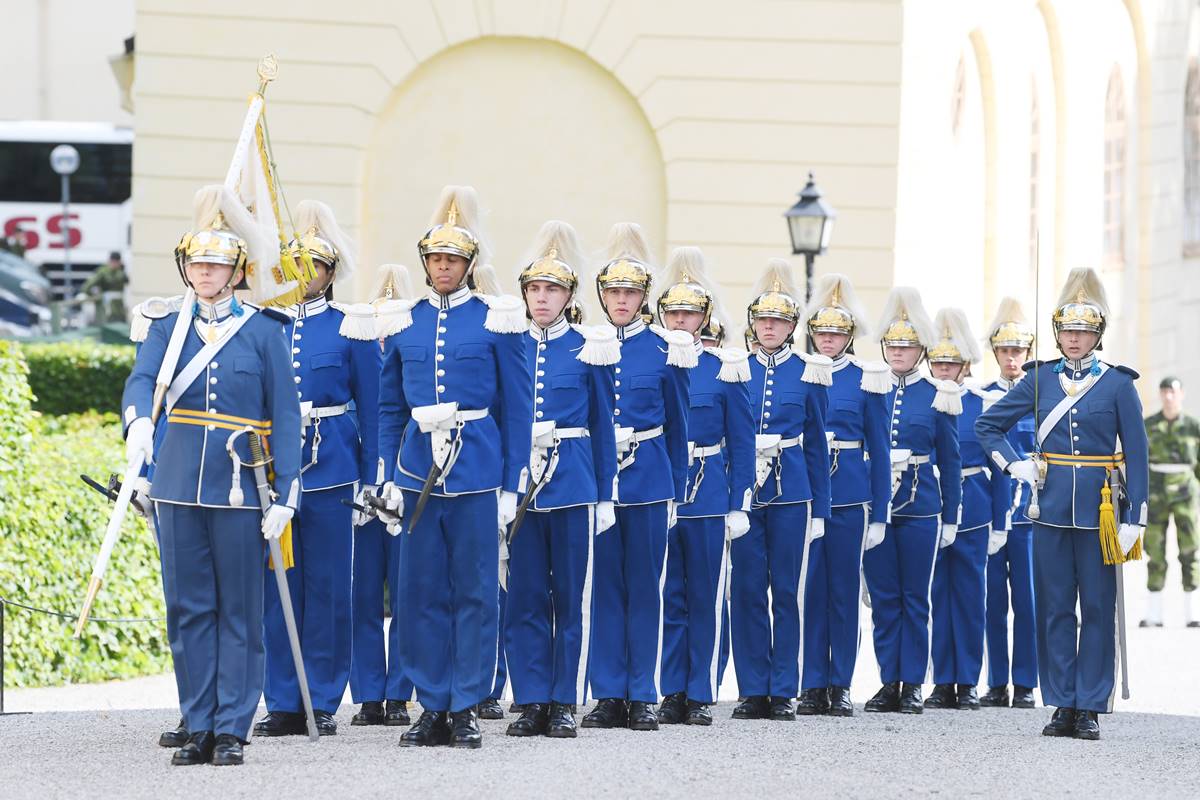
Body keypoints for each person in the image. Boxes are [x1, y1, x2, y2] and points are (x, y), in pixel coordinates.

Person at [122, 185, 301, 766]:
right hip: (176, 482)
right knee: (189, 609)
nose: (204, 272)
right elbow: (142, 381)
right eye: (197, 263)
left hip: (240, 484)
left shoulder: (264, 330)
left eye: (216, 264)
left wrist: (287, 494)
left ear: (235, 272)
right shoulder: (165, 325)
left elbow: (287, 416)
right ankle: (198, 722)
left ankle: (232, 726)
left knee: (240, 611)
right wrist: (136, 424)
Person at [376, 185, 532, 749]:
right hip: (418, 471)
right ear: (425, 264)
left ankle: (465, 704)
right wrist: (385, 475)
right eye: (436, 259)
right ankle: (430, 703)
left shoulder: (497, 321)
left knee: (474, 591)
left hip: (477, 470)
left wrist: (512, 483)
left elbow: (516, 409)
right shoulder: (402, 321)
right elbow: (388, 407)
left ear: (469, 265)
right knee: (419, 593)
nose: (443, 267)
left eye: (453, 259)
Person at [976, 267, 1149, 740]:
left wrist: (1138, 516)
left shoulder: (1117, 384)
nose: (1075, 339)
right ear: (1057, 333)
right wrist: (1014, 466)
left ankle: (1089, 704)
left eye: (1085, 331)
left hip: (1102, 513)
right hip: (1048, 509)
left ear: (1098, 335)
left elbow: (1137, 452)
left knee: (1096, 608)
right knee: (1054, 608)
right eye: (1069, 331)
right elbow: (987, 427)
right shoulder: (1038, 380)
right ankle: (1061, 702)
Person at [249, 200, 378, 738]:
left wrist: (372, 479)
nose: (307, 276)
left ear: (330, 274)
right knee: (279, 582)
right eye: (298, 267)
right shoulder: (264, 325)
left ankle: (321, 694)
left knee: (327, 586)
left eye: (316, 268)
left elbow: (372, 409)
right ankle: (283, 697)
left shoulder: (351, 327)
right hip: (276, 468)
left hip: (332, 469)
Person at [503, 221, 618, 738]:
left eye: (551, 289)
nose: (542, 298)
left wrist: (606, 492)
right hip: (521, 483)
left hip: (572, 481)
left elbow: (602, 426)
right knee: (525, 596)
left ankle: (564, 699)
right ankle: (530, 699)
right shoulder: (507, 343)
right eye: (534, 288)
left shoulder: (588, 347)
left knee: (570, 598)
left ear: (569, 295)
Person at [583, 222, 692, 732]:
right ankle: (607, 692)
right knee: (605, 588)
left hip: (649, 478)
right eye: (613, 292)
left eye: (630, 292)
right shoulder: (589, 344)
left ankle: (641, 692)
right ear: (601, 297)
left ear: (644, 297)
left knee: (646, 587)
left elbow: (679, 425)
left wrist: (675, 487)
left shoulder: (668, 348)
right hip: (601, 479)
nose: (621, 300)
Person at [656, 247, 754, 726]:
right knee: (669, 595)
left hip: (709, 490)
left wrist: (739, 502)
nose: (679, 318)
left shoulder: (725, 370)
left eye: (689, 312)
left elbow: (741, 442)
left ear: (704, 318)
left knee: (706, 596)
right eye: (672, 310)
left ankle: (701, 691)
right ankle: (671, 688)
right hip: (663, 493)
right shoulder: (655, 363)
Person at [730, 259, 831, 722]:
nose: (769, 327)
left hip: (792, 492)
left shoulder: (810, 373)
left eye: (778, 321)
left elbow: (817, 444)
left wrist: (820, 509)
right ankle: (753, 688)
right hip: (747, 492)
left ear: (791, 327)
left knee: (786, 591)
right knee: (747, 588)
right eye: (763, 320)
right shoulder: (735, 369)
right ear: (752, 324)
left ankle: (783, 688)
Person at [862, 287, 961, 715]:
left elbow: (952, 461)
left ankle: (913, 682)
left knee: (915, 597)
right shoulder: (872, 388)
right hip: (878, 505)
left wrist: (952, 515)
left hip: (921, 506)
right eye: (892, 345)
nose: (898, 352)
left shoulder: (938, 393)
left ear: (921, 349)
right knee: (884, 598)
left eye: (906, 345)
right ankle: (889, 680)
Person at [797, 273, 890, 717]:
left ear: (849, 336)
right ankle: (812, 683)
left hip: (851, 495)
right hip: (809, 495)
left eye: (836, 333)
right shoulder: (798, 372)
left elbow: (880, 450)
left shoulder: (867, 378)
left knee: (844, 592)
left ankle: (841, 682)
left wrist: (880, 514)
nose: (828, 339)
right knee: (810, 591)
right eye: (821, 332)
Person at [924, 308, 1009, 711]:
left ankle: (968, 680)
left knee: (972, 596)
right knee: (938, 594)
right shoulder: (923, 399)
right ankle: (942, 680)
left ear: (966, 365)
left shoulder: (983, 403)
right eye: (937, 362)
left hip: (974, 503)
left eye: (950, 363)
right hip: (930, 499)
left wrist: (1001, 521)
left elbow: (1001, 466)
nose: (942, 370)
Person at [347, 264, 418, 727]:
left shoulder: (412, 354)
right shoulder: (356, 352)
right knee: (363, 594)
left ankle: (399, 691)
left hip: (401, 484)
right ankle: (369, 691)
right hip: (356, 488)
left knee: (409, 591)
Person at [980, 297, 1039, 708]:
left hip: (1031, 513)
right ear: (996, 354)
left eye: (1017, 351)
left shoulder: (1041, 397)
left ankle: (1027, 682)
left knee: (1029, 600)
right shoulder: (981, 396)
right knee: (992, 601)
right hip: (991, 512)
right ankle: (997, 681)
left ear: (1027, 354)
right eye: (1005, 351)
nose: (1011, 358)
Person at [1141, 376, 1200, 628]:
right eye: (1164, 391)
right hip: (1156, 491)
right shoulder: (1149, 425)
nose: (1168, 396)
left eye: (1172, 391)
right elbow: (1140, 460)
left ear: (1181, 394)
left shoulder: (1192, 426)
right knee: (1154, 549)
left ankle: (1193, 611)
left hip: (1185, 491)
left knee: (1190, 548)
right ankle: (1154, 613)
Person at [80, 251, 129, 323]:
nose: (115, 264)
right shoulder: (103, 272)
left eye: (117, 262)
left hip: (119, 308)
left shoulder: (121, 272)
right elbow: (87, 287)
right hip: (106, 306)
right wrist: (96, 296)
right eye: (113, 261)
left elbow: (126, 281)